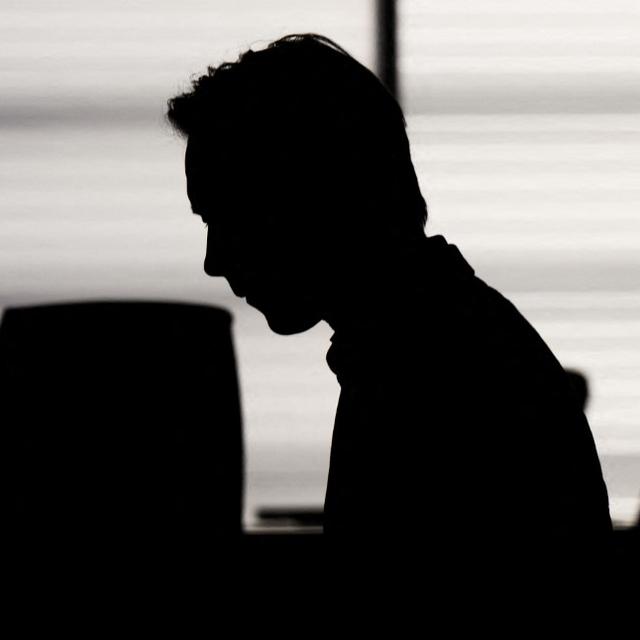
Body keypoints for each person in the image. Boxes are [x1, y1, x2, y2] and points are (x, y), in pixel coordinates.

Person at [166, 33, 612, 572]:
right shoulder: (441, 341)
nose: (214, 259)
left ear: (310, 195)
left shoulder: (432, 376)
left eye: (227, 216)